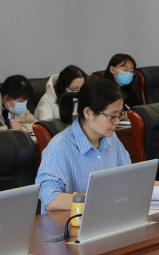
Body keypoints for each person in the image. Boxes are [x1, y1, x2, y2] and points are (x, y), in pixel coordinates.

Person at [34, 78, 135, 213]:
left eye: (120, 114)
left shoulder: (111, 138)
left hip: (107, 215)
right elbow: (50, 199)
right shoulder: (60, 146)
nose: (117, 122)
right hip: (70, 222)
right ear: (88, 113)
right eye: (112, 116)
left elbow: (128, 177)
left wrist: (157, 185)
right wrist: (97, 200)